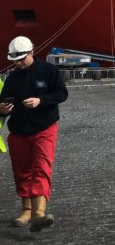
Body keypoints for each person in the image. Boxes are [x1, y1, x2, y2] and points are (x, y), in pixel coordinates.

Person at [0, 36, 68, 232]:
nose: (19, 63)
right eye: (15, 61)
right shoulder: (13, 77)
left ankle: (39, 213)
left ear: (32, 52)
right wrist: (3, 109)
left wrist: (41, 100)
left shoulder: (48, 71)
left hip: (44, 128)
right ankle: (26, 210)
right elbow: (4, 101)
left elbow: (62, 94)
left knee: (40, 167)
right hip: (19, 131)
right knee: (21, 172)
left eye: (22, 59)